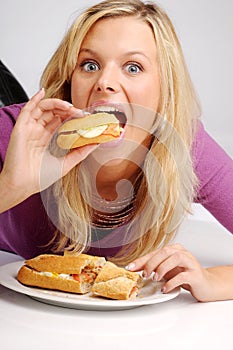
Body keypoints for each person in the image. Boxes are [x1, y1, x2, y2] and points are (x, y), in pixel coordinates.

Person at [0, 0, 232, 302]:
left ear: (166, 88)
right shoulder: (15, 134)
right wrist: (11, 186)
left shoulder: (184, 145)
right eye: (89, 65)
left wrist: (213, 281)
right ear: (71, 81)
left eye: (133, 67)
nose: (105, 82)